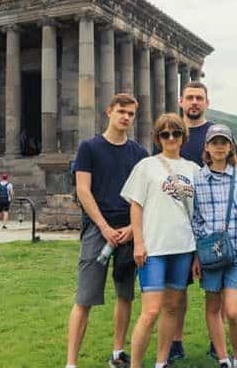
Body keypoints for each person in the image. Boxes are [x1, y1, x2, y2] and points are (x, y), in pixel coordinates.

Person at [65, 93, 148, 368]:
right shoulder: (89, 148)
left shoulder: (139, 153)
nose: (126, 117)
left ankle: (117, 353)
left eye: (131, 114)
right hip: (96, 230)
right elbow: (82, 190)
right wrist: (103, 226)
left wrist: (131, 229)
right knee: (84, 297)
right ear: (108, 112)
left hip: (128, 231)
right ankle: (71, 363)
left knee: (125, 294)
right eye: (121, 111)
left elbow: (144, 197)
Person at [120, 113, 198, 368]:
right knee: (150, 311)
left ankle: (162, 361)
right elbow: (136, 206)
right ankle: (136, 365)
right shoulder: (146, 166)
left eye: (176, 133)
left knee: (173, 308)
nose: (171, 138)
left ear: (183, 137)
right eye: (165, 134)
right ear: (158, 138)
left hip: (183, 247)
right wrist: (139, 243)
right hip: (154, 248)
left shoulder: (194, 170)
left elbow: (200, 212)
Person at [191, 124, 237, 368]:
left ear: (230, 146)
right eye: (214, 142)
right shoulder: (197, 178)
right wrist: (198, 255)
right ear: (207, 148)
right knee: (212, 307)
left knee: (232, 311)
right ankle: (223, 358)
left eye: (224, 142)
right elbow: (196, 219)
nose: (219, 146)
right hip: (211, 253)